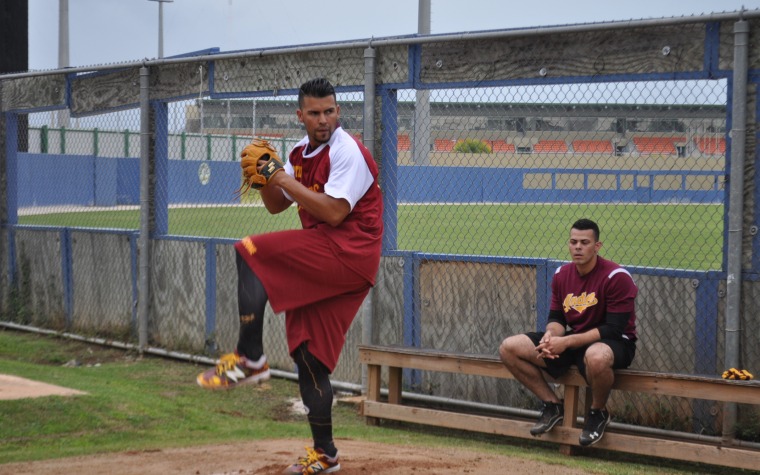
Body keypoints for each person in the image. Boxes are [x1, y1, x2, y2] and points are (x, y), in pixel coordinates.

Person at [196, 77, 383, 474]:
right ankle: (326, 454)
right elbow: (276, 207)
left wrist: (281, 177)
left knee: (248, 251)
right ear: (300, 115)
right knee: (308, 355)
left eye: (330, 110)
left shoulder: (348, 151)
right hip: (328, 257)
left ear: (338, 111)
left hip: (348, 251)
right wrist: (265, 178)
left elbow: (333, 212)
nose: (323, 119)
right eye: (314, 113)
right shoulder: (300, 151)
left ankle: (250, 357)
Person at [498, 218, 637, 447]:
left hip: (614, 342)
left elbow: (613, 329)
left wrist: (567, 341)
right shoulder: (562, 274)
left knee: (596, 357)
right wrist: (551, 336)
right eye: (573, 242)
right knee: (509, 347)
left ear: (597, 246)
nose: (578, 247)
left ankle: (598, 413)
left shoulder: (616, 276)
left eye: (585, 242)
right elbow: (557, 319)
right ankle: (552, 405)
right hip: (574, 341)